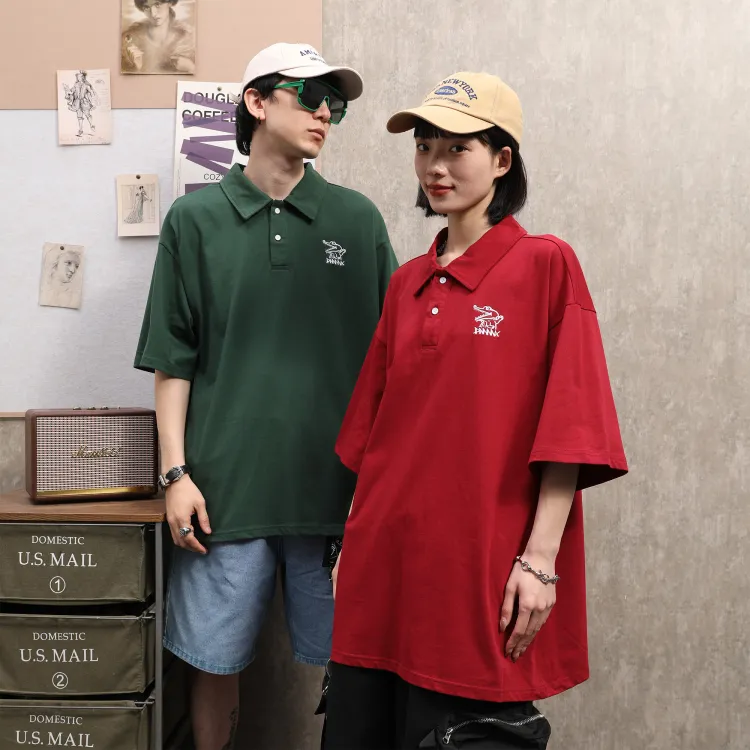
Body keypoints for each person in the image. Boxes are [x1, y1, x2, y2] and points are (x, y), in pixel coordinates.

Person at [324, 72, 629, 749]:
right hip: (384, 565)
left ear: (501, 160)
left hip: (480, 566)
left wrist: (540, 560)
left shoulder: (546, 265)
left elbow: (572, 426)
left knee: (466, 729)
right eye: (424, 146)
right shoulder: (406, 283)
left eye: (457, 148)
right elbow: (373, 433)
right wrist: (351, 541)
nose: (435, 165)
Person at [133, 43, 398, 750]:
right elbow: (173, 361)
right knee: (211, 663)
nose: (325, 113)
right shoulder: (193, 222)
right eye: (309, 96)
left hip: (338, 496)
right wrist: (175, 474)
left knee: (356, 666)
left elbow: (395, 365)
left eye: (334, 103)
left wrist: (382, 488)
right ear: (256, 101)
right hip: (222, 495)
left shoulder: (357, 221)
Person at [121, 0, 195, 74]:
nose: (153, 14)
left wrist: (190, 67)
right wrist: (135, 68)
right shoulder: (131, 38)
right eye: (146, 7)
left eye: (157, 4)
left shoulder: (186, 37)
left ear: (170, 2)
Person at [64, 71, 96, 137]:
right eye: (77, 77)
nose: (78, 78)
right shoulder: (76, 85)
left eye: (79, 77)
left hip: (84, 102)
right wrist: (67, 90)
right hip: (77, 103)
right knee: (79, 117)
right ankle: (80, 130)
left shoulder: (86, 85)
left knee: (88, 115)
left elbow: (91, 92)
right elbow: (71, 92)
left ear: (83, 77)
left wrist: (93, 101)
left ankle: (92, 126)